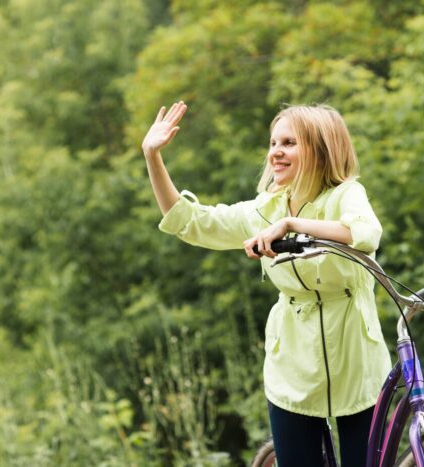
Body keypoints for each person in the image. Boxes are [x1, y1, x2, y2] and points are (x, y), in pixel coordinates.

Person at [142, 101, 391, 466]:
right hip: (291, 367)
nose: (276, 152)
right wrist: (152, 156)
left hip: (358, 364)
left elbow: (364, 233)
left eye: (289, 143)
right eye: (274, 143)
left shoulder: (346, 194)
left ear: (320, 150)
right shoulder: (263, 210)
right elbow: (189, 222)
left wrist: (292, 226)